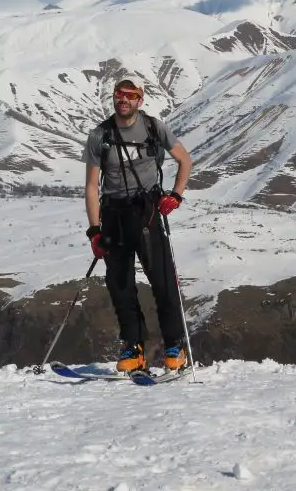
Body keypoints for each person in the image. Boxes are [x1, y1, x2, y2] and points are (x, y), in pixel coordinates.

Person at [81, 78, 193, 374]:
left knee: (163, 280)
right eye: (119, 94)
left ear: (140, 100)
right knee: (120, 285)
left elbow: (185, 160)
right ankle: (134, 347)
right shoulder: (99, 136)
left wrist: (176, 196)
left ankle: (174, 346)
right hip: (113, 215)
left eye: (131, 95)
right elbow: (92, 187)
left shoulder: (154, 128)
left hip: (147, 212)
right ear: (113, 98)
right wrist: (95, 231)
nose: (124, 99)